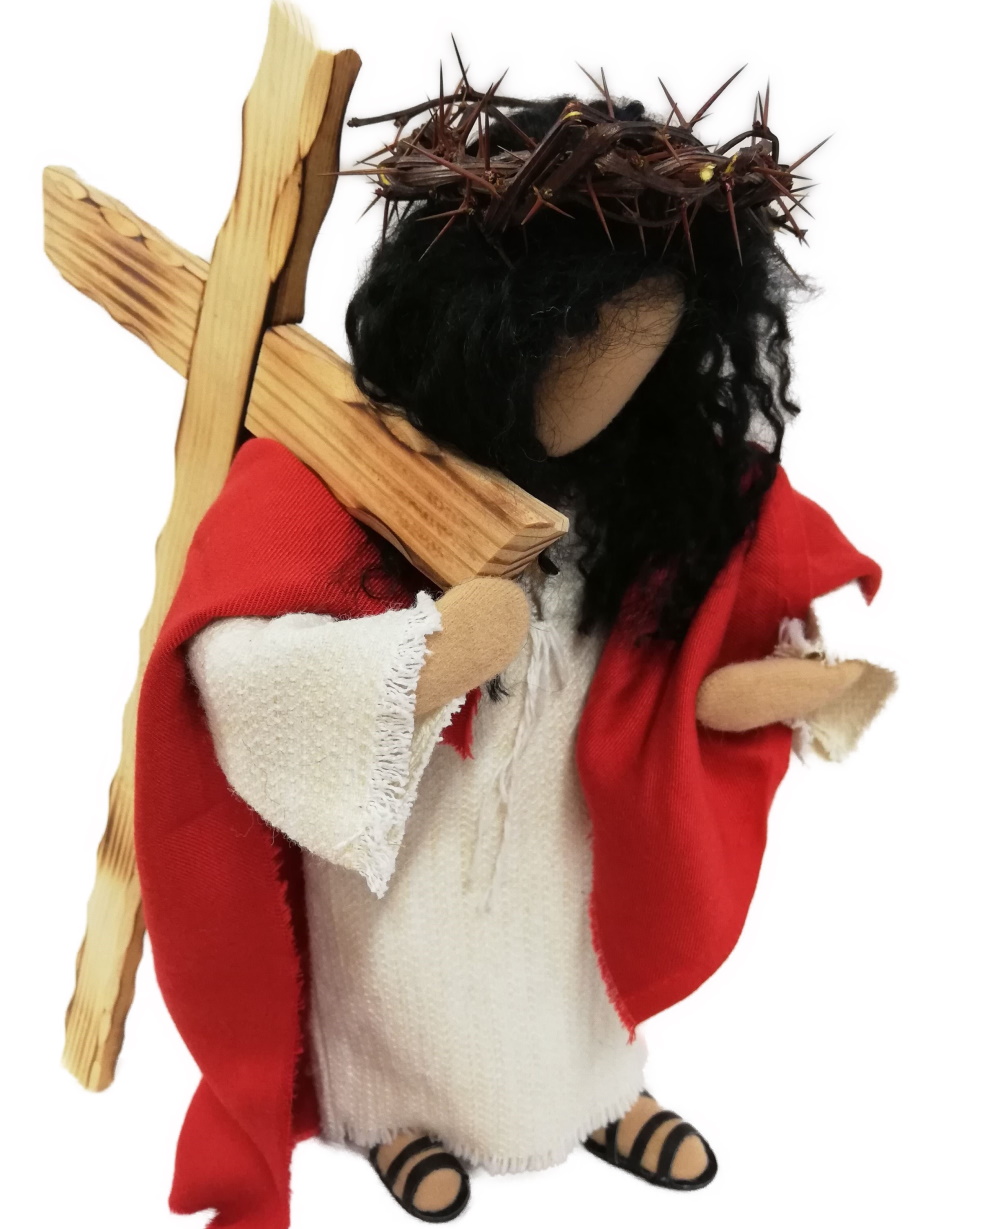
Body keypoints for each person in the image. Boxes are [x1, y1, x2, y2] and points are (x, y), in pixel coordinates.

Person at [135, 91, 894, 1226]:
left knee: (565, 953)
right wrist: (426, 657)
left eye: (650, 342)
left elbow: (668, 677)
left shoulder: (639, 502)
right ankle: (393, 1110)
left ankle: (590, 1093)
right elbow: (240, 670)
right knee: (413, 960)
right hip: (414, 844)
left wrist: (774, 691)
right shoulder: (345, 479)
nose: (612, 381)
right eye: (586, 335)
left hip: (565, 824)